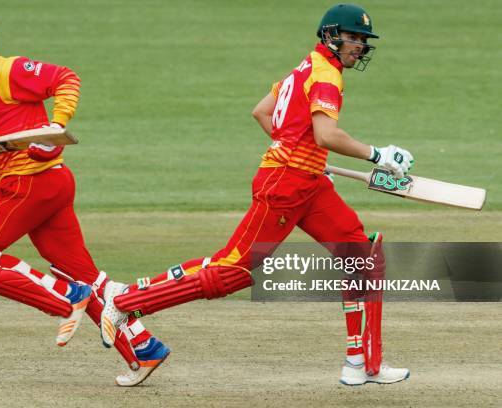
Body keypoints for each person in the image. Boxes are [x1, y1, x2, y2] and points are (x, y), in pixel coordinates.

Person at [99, 4, 411, 385]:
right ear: (331, 36)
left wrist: (305, 156)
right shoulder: (326, 75)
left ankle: (360, 364)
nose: (359, 46)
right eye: (354, 37)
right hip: (285, 186)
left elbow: (262, 112)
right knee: (233, 270)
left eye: (363, 40)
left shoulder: (306, 67)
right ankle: (125, 302)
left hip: (306, 182)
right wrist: (379, 155)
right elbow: (326, 135)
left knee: (360, 254)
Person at [0, 9, 169, 387]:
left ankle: (65, 295)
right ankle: (144, 347)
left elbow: (66, 78)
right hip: (47, 186)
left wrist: (57, 124)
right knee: (83, 273)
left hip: (29, 182)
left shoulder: (10, 71)